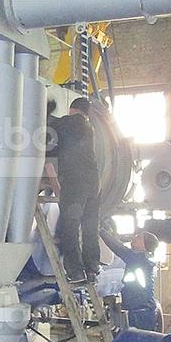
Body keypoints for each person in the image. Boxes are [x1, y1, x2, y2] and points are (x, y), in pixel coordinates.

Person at [50, 97, 101, 284]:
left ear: (72, 109)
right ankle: (92, 269)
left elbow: (49, 127)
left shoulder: (70, 122)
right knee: (90, 226)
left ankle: (76, 272)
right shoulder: (89, 128)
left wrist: (47, 109)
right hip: (93, 183)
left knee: (69, 226)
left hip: (75, 182)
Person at [100, 226, 160, 331]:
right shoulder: (143, 259)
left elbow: (118, 248)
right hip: (141, 309)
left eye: (138, 237)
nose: (134, 237)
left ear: (144, 245)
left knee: (136, 337)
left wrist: (101, 231)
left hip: (139, 312)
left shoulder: (138, 259)